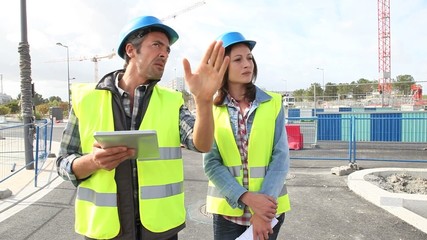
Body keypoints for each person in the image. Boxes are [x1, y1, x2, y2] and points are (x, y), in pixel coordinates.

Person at [56, 15, 229, 240]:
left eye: (167, 49)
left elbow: (202, 144)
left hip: (160, 230)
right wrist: (92, 161)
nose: (164, 54)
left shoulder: (171, 100)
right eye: (156, 45)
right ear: (130, 50)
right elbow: (62, 163)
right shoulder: (85, 99)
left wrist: (204, 100)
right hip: (105, 231)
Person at [203, 32, 291, 240]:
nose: (247, 64)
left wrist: (262, 211)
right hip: (228, 215)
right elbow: (211, 164)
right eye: (238, 59)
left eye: (249, 57)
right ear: (221, 67)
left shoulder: (273, 103)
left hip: (269, 212)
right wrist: (247, 198)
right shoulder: (211, 109)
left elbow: (280, 159)